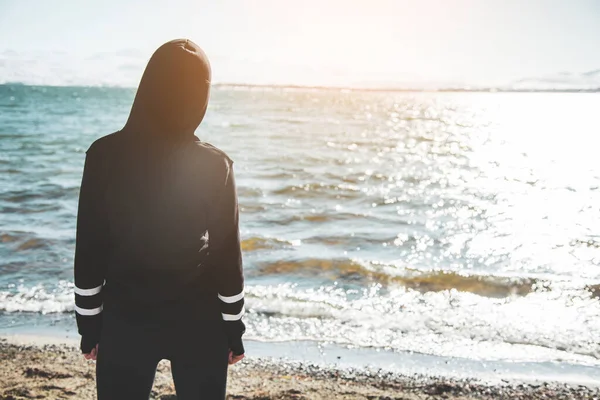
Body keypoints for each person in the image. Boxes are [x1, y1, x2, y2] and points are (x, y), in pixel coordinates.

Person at [73, 39, 245, 399]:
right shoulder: (215, 164)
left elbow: (90, 248)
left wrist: (90, 327)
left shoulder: (103, 155)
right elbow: (227, 258)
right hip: (199, 322)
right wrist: (233, 331)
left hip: (125, 321)